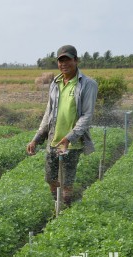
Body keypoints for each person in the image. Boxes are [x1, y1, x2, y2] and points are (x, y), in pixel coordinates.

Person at [26, 45, 97, 206]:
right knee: (50, 178)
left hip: (72, 142)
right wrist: (36, 138)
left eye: (68, 60)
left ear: (76, 60)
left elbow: (87, 116)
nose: (64, 64)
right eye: (60, 60)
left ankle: (65, 208)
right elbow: (48, 114)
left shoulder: (87, 84)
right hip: (54, 139)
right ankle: (55, 205)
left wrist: (69, 138)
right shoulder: (55, 83)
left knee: (66, 181)